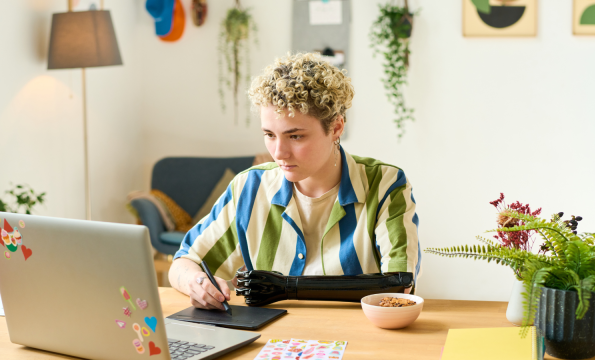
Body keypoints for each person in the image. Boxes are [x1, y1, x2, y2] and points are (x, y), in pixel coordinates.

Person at [169, 52, 420, 311]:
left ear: (336, 128)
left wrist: (286, 288)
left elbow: (399, 285)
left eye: (296, 136)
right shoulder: (248, 188)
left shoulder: (385, 185)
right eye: (269, 134)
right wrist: (197, 283)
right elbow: (184, 263)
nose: (279, 153)